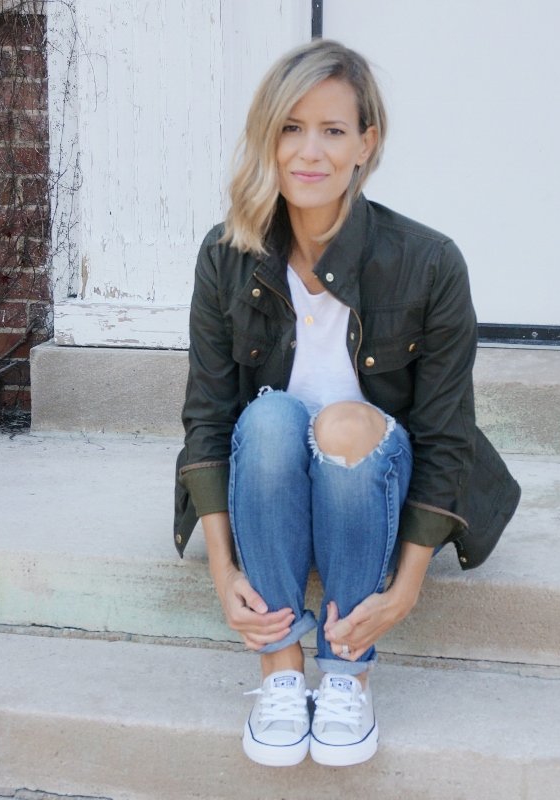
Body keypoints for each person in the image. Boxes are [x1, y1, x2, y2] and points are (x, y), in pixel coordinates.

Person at [173, 39, 520, 768]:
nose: (310, 152)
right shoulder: (225, 255)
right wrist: (222, 570)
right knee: (270, 418)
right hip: (269, 474)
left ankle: (347, 675)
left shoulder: (428, 262)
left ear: (367, 143)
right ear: (267, 137)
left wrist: (407, 588)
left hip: (372, 477)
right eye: (291, 128)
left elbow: (447, 433)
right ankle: (279, 670)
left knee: (342, 423)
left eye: (332, 130)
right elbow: (207, 416)